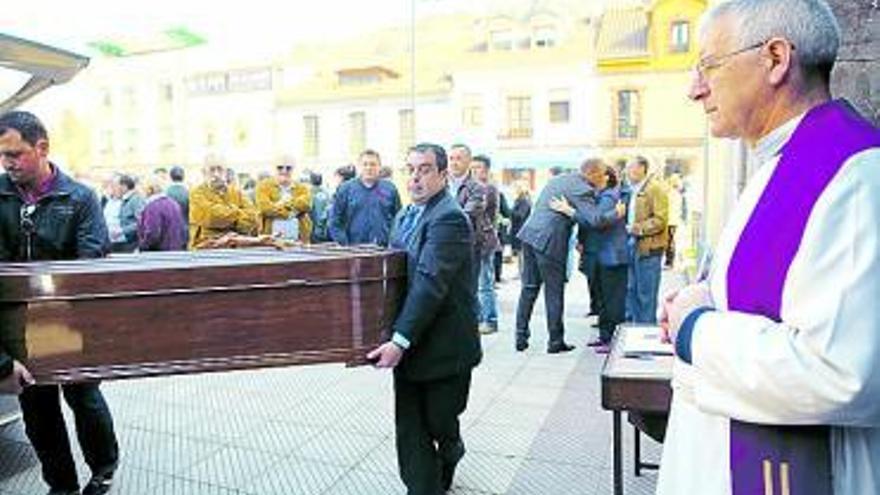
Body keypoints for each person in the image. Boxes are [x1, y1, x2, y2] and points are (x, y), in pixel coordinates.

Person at [658, 1, 880, 494]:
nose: (695, 88)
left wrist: (695, 327)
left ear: (776, 58)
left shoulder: (854, 175)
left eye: (707, 66)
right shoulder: (777, 165)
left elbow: (839, 371)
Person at [0, 110, 120, 495]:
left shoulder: (80, 197)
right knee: (38, 412)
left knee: (84, 398)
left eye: (15, 154)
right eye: (2, 155)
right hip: (17, 328)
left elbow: (90, 268)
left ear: (42, 147)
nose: (7, 163)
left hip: (71, 323)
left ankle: (103, 468)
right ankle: (62, 486)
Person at [367, 143, 482, 495]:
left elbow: (430, 284)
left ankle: (452, 450)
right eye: (410, 169)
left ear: (444, 175)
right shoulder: (405, 216)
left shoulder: (448, 218)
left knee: (440, 423)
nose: (415, 177)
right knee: (410, 428)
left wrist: (400, 339)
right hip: (409, 339)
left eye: (425, 169)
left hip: (445, 346)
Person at [514, 159, 596, 353]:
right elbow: (592, 219)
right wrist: (571, 212)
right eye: (601, 175)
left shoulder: (559, 179)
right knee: (554, 290)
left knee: (529, 288)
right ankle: (555, 341)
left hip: (530, 234)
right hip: (550, 240)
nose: (602, 179)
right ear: (592, 173)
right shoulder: (583, 188)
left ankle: (520, 336)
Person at [549, 160, 628, 352]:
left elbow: (596, 221)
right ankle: (604, 336)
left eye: (596, 175)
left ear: (606, 177)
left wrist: (570, 211)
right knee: (601, 299)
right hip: (601, 255)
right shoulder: (599, 195)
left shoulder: (609, 196)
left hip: (611, 257)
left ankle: (613, 340)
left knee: (612, 301)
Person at [624, 155, 668, 324]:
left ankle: (647, 332)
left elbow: (660, 220)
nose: (628, 171)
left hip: (649, 246)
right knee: (632, 290)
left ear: (643, 169)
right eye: (627, 168)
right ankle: (637, 329)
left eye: (632, 167)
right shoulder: (633, 189)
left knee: (646, 294)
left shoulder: (655, 189)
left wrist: (639, 228)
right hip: (632, 243)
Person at [329, 149, 402, 246]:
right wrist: (344, 243)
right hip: (354, 252)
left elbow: (399, 219)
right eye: (365, 164)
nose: (369, 168)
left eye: (373, 164)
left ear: (379, 167)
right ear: (359, 166)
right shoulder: (345, 189)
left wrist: (392, 242)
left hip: (383, 250)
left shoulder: (390, 189)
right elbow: (334, 221)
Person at [188, 155, 259, 248]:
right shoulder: (196, 193)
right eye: (212, 170)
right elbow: (212, 217)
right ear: (204, 172)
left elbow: (252, 218)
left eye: (220, 169)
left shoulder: (237, 193)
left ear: (226, 172)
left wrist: (228, 216)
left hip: (235, 250)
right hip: (206, 250)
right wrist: (237, 213)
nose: (216, 174)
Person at [469, 154, 500, 334]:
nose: (474, 170)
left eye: (478, 167)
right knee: (478, 283)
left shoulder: (487, 188)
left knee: (484, 283)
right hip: (477, 240)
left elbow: (476, 209)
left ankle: (490, 319)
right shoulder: (475, 188)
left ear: (486, 170)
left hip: (484, 241)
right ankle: (481, 318)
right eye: (472, 167)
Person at [447, 144, 486, 281]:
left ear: (469, 161)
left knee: (467, 290)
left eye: (458, 158)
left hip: (467, 246)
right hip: (443, 244)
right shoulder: (440, 184)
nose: (454, 163)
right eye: (451, 158)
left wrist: (441, 218)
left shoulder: (477, 188)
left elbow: (465, 216)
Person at [254, 159, 312, 243]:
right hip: (271, 242)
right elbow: (265, 208)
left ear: (293, 169)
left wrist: (281, 204)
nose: (284, 171)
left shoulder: (302, 188)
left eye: (288, 168)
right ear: (274, 168)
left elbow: (306, 204)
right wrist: (291, 212)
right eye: (280, 167)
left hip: (299, 242)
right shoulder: (263, 186)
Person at [137, 176, 187, 251]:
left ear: (150, 190)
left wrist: (142, 246)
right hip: (176, 251)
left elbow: (152, 233)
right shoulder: (173, 203)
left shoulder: (152, 207)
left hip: (159, 254)